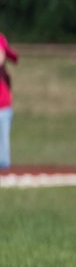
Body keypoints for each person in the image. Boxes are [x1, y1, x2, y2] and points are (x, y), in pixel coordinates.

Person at [0, 32, 17, 170]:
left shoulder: (4, 74)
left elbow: (14, 57)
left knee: (4, 140)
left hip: (4, 108)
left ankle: (4, 168)